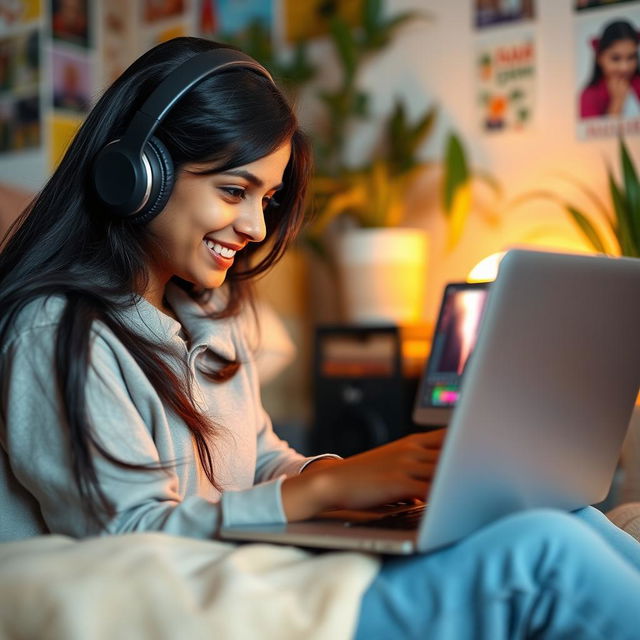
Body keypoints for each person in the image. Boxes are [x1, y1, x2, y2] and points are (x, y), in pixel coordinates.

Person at [0, 37, 639, 638]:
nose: (253, 225)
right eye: (233, 191)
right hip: (196, 605)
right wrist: (325, 492)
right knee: (544, 555)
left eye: (267, 199)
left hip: (251, 571)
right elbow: (127, 538)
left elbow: (260, 460)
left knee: (561, 517)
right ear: (137, 174)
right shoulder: (56, 333)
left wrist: (361, 482)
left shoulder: (208, 317)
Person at [580, 19, 640, 119]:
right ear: (599, 58)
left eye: (631, 57)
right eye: (615, 58)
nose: (624, 67)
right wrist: (617, 102)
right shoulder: (590, 95)